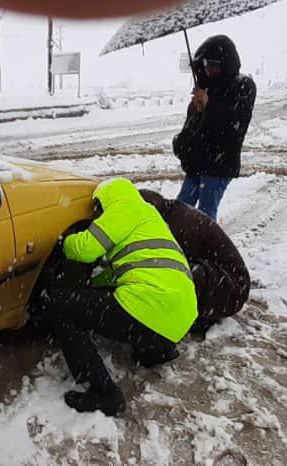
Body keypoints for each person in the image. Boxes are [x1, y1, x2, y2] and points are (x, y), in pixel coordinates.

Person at [41, 178, 197, 416]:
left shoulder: (122, 208)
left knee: (60, 307)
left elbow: (84, 249)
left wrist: (63, 241)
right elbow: (130, 269)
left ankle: (104, 394)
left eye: (97, 209)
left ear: (105, 199)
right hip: (181, 316)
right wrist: (93, 285)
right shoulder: (149, 216)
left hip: (150, 306)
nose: (96, 215)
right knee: (135, 306)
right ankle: (156, 351)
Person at [140, 190, 250, 338]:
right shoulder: (173, 212)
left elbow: (175, 269)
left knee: (172, 272)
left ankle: (196, 318)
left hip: (231, 290)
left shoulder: (181, 226)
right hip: (220, 282)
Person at [173, 35, 257, 218]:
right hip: (197, 163)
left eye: (213, 65)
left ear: (225, 64)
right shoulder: (204, 88)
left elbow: (236, 125)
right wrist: (181, 143)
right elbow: (191, 128)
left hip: (219, 164)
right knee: (180, 211)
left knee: (204, 216)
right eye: (205, 65)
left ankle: (203, 247)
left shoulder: (243, 85)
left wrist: (209, 105)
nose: (208, 70)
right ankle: (178, 246)